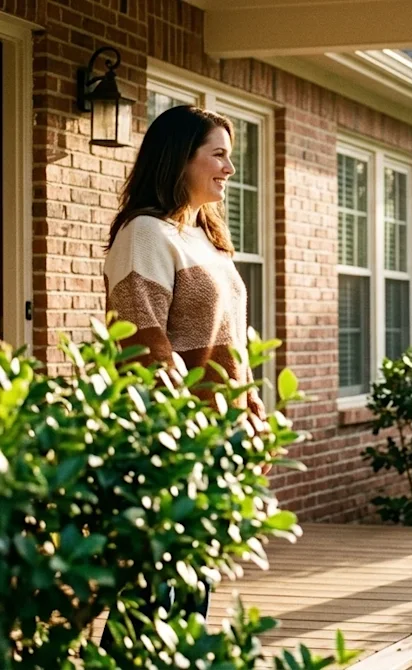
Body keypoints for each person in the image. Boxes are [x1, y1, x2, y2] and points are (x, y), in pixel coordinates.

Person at [100, 105, 265, 648]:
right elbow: (141, 343)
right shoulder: (146, 233)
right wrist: (183, 433)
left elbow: (232, 340)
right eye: (217, 155)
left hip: (217, 435)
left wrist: (250, 409)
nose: (229, 168)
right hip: (174, 442)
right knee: (152, 599)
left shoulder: (205, 239)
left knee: (193, 590)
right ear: (180, 159)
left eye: (229, 156)